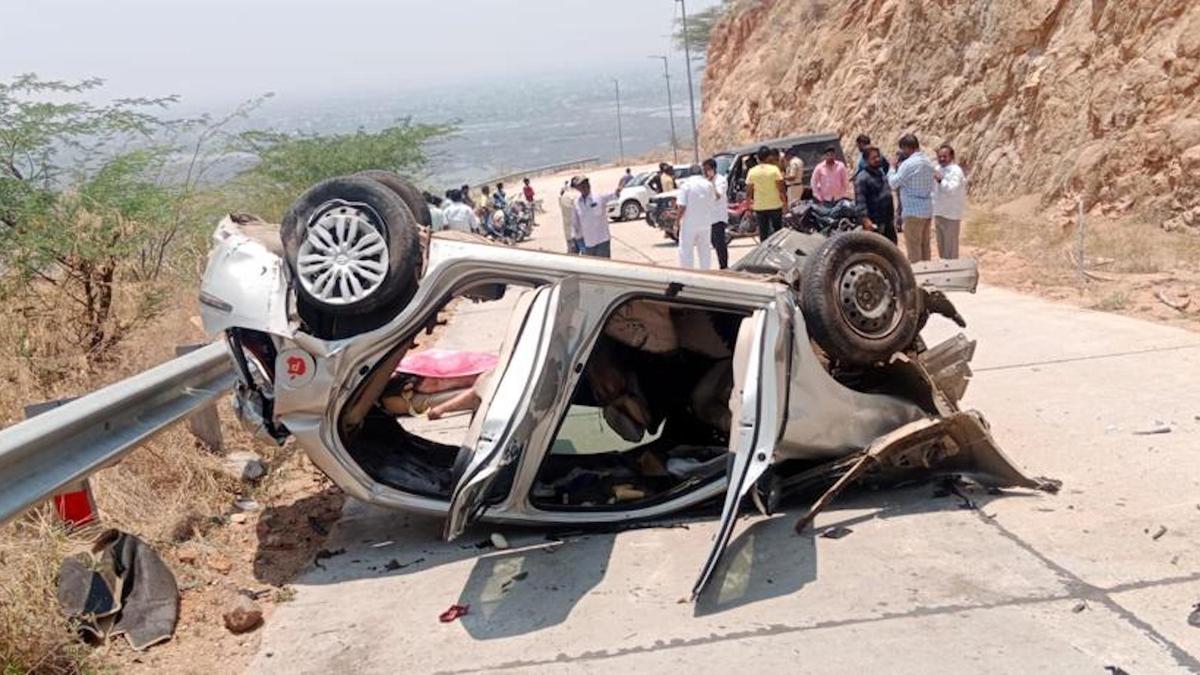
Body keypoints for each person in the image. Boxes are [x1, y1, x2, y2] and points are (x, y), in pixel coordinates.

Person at [888, 134, 937, 262]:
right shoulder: (928, 162)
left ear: (906, 148)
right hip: (926, 210)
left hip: (912, 212)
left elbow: (893, 183)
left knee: (914, 248)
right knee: (925, 246)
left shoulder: (908, 164)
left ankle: (919, 278)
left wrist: (892, 168)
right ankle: (927, 275)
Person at [674, 164, 715, 269]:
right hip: (705, 223)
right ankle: (706, 274)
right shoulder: (708, 185)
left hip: (689, 224)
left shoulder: (686, 185)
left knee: (686, 250)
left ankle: (688, 274)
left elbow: (682, 206)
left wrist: (677, 221)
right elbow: (712, 202)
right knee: (705, 250)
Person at [854, 146, 897, 244]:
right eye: (873, 158)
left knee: (892, 250)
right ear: (865, 160)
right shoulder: (862, 178)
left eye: (878, 157)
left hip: (888, 221)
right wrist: (865, 220)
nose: (877, 160)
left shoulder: (880, 173)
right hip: (874, 223)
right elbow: (860, 202)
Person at [570, 175, 620, 258]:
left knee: (604, 267)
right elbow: (575, 223)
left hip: (602, 240)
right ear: (577, 188)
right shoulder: (577, 203)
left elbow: (614, 194)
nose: (585, 186)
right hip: (588, 243)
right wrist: (575, 240)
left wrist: (619, 190)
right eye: (581, 185)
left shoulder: (599, 196)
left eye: (586, 183)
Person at [932, 144, 967, 259]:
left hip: (951, 215)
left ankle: (952, 273)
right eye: (940, 156)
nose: (941, 159)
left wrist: (941, 180)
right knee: (941, 248)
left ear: (951, 157)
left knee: (950, 250)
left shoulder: (956, 171)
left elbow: (952, 190)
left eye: (944, 156)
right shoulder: (937, 169)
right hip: (938, 213)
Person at [746, 145, 786, 239]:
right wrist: (785, 203)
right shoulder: (774, 170)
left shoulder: (752, 171)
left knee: (763, 233)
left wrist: (748, 208)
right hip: (775, 205)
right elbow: (781, 189)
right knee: (778, 232)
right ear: (769, 157)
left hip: (760, 207)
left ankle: (764, 251)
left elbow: (748, 192)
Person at [705, 157, 731, 269]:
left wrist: (711, 185)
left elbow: (718, 195)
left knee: (720, 243)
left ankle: (724, 266)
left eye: (708, 169)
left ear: (714, 169)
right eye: (704, 170)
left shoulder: (721, 180)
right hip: (709, 217)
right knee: (714, 242)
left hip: (718, 216)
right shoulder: (706, 181)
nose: (706, 172)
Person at [558, 178, 583, 253]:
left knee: (572, 258)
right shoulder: (577, 195)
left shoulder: (564, 196)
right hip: (580, 233)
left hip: (569, 233)